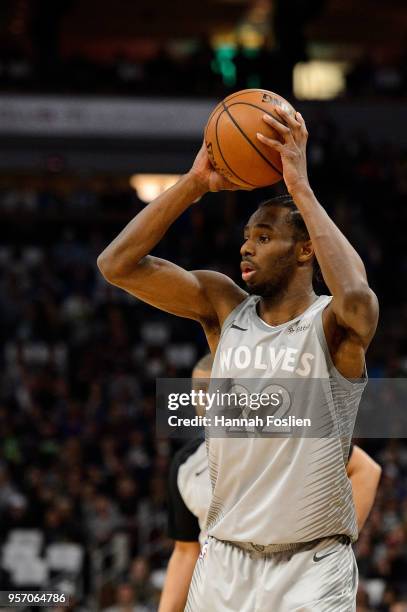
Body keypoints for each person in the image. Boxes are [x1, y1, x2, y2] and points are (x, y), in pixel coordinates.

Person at [97, 105, 379, 610]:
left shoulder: (334, 325)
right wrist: (193, 183)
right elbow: (116, 264)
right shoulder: (223, 307)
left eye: (265, 237)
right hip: (223, 560)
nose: (246, 248)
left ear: (305, 250)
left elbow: (357, 293)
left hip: (310, 566)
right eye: (246, 237)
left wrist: (301, 189)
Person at [158, 354, 381, 612]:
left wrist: (337, 543)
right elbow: (186, 552)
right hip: (221, 590)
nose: (205, 400)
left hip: (290, 584)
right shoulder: (186, 464)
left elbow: (366, 470)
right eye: (198, 390)